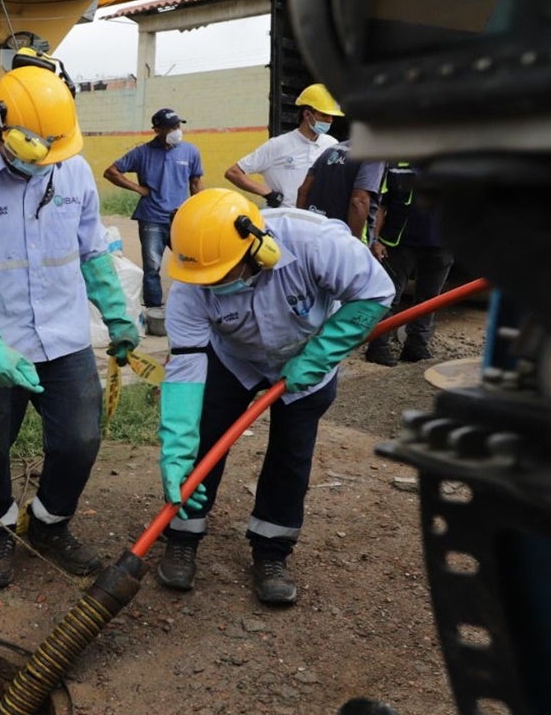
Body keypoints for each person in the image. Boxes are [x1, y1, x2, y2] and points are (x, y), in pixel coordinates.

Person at [0, 66, 138, 589]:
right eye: (33, 148)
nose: (44, 160)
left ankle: (49, 523)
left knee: (80, 440)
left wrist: (118, 315)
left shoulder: (75, 172)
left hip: (65, 338)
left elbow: (92, 251)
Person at [156, 189, 393, 605]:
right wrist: (176, 450)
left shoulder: (315, 242)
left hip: (309, 358)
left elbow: (375, 293)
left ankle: (272, 550)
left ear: (256, 249)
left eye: (221, 275)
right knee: (204, 438)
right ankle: (182, 535)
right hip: (233, 359)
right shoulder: (191, 286)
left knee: (291, 452)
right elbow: (186, 369)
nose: (211, 285)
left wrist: (320, 355)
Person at [103, 107, 204, 312]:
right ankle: (153, 309)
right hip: (152, 218)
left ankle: (197, 305)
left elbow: (195, 183)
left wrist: (200, 211)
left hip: (181, 219)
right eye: (171, 127)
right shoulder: (142, 153)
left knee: (192, 261)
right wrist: (138, 188)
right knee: (152, 266)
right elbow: (111, 172)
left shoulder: (190, 151)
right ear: (158, 130)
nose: (177, 130)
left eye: (178, 125)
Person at [364, 162, 452, 365]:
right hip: (398, 245)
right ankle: (377, 347)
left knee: (429, 301)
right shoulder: (397, 167)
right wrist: (375, 240)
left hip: (441, 246)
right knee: (388, 298)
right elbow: (381, 206)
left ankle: (416, 346)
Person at [223, 83, 342, 210]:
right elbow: (233, 173)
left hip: (314, 217)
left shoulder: (331, 144)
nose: (330, 120)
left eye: (332, 116)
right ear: (307, 114)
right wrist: (268, 193)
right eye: (324, 115)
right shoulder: (278, 145)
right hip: (282, 217)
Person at [296, 140, 385, 242]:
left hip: (313, 232)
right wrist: (354, 244)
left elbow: (303, 190)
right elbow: (359, 201)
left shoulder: (331, 149)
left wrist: (302, 227)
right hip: (341, 238)